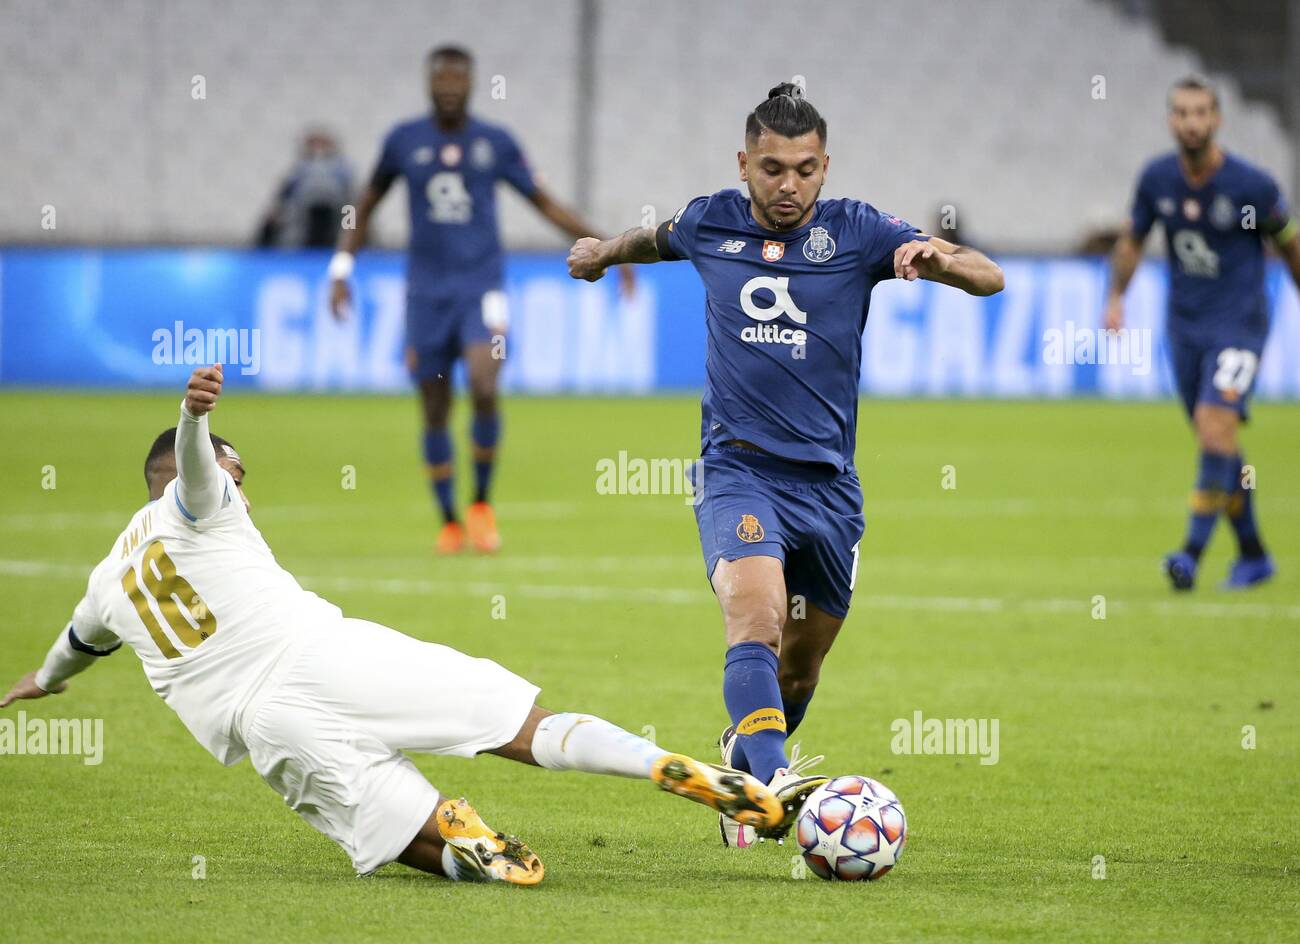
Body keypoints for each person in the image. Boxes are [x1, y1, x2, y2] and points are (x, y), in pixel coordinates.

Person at [2, 365, 782, 885]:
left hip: (265, 726)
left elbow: (74, 646)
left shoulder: (107, 579)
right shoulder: (197, 498)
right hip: (325, 652)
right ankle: (661, 764)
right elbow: (197, 470)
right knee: (520, 724)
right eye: (240, 474)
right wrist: (193, 418)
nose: (244, 488)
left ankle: (456, 832)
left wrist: (40, 682)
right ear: (202, 472)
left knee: (397, 837)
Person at [567, 84, 1003, 848]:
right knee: (756, 617)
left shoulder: (862, 232)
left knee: (799, 671)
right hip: (739, 469)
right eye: (771, 168)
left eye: (804, 169)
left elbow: (988, 275)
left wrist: (940, 257)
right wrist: (602, 253)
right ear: (744, 163)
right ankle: (768, 787)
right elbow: (652, 239)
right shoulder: (710, 222)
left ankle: (745, 750)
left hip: (831, 489)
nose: (788, 186)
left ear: (825, 167)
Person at [328, 44, 633, 554]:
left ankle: (482, 505)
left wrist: (606, 247)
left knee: (485, 386)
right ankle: (448, 520)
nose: (448, 88)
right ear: (429, 84)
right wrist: (341, 267)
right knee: (434, 406)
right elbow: (365, 203)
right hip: (425, 294)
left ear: (470, 84)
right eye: (440, 80)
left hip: (482, 288)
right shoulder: (404, 141)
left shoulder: (494, 143)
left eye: (457, 80)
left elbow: (544, 203)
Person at [1105, 75, 1300, 590]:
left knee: (1216, 427)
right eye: (1181, 113)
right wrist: (1116, 298)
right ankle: (1255, 553)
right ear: (1171, 120)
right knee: (1219, 441)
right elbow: (1132, 241)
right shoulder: (1157, 180)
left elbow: (1290, 243)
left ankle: (1190, 554)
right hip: (1184, 329)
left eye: (1200, 113)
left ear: (1216, 120)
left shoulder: (1251, 187)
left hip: (1240, 323)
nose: (1191, 122)